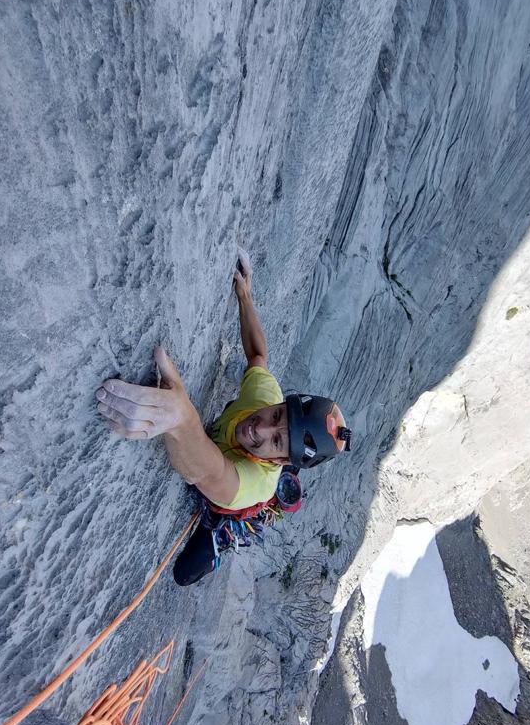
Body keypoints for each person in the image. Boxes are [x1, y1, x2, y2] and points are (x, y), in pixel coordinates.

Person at [95, 247, 351, 584]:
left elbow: (206, 470)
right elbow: (258, 354)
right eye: (276, 416)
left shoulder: (255, 484)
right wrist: (245, 296)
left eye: (276, 440)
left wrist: (181, 417)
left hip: (223, 503)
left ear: (277, 462)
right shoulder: (265, 397)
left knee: (185, 573)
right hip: (226, 464)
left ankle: (222, 540)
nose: (260, 427)